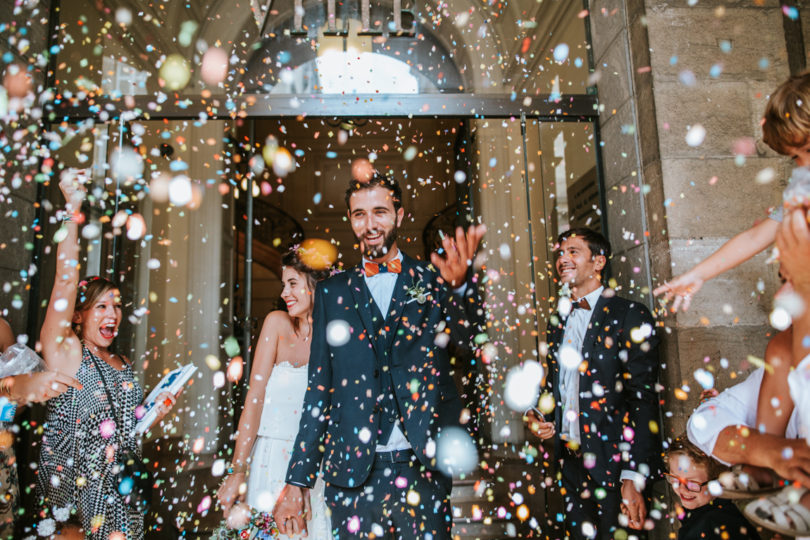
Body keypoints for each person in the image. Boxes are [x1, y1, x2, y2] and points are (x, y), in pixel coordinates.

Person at [273, 170, 486, 539]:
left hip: (422, 468)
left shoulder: (432, 280)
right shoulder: (331, 293)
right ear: (351, 221)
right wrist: (298, 478)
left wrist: (461, 289)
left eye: (380, 212)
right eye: (359, 214)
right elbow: (319, 389)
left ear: (399, 216)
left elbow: (470, 348)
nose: (370, 224)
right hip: (352, 477)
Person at [36, 170, 178, 539]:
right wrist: (73, 206)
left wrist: (154, 413)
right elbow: (65, 281)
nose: (112, 314)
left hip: (122, 498)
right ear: (78, 316)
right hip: (76, 500)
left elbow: (125, 430)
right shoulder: (67, 352)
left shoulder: (124, 364)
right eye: (100, 307)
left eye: (115, 306)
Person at [525, 227, 661, 539]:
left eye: (573, 252)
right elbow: (557, 385)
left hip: (614, 468)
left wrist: (633, 474)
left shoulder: (629, 314)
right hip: (571, 464)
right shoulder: (558, 320)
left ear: (599, 262)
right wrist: (540, 415)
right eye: (561, 253)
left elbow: (642, 400)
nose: (563, 259)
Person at [216, 248, 332, 538]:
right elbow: (253, 402)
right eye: (284, 285)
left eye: (292, 283)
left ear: (315, 283)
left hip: (314, 463)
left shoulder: (335, 334)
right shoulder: (276, 324)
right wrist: (237, 471)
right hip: (270, 459)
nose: (284, 293)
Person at [665, 436, 760, 539]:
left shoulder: (711, 527)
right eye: (674, 478)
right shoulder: (710, 516)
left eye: (692, 483)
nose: (682, 489)